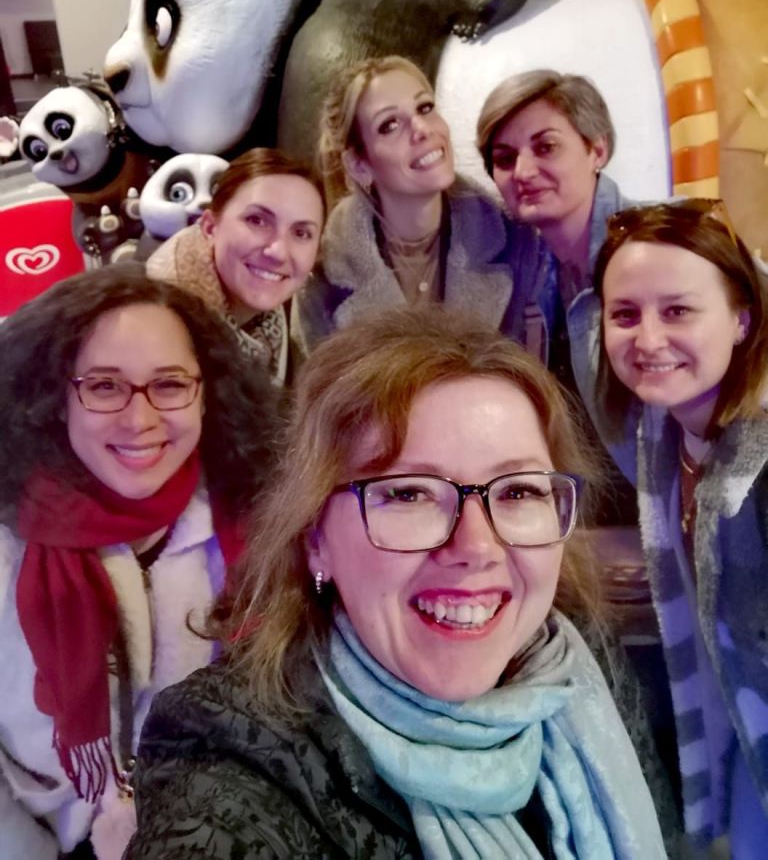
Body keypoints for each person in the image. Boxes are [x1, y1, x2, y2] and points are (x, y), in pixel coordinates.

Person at [125, 306, 675, 860]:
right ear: (315, 537)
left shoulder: (580, 661)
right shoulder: (226, 747)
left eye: (518, 491)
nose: (477, 548)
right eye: (409, 493)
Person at [0, 264, 278, 860]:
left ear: (207, 392)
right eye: (104, 386)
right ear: (57, 398)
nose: (139, 419)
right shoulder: (8, 540)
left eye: (170, 385)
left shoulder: (258, 525)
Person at [594, 200, 768, 857]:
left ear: (742, 319)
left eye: (677, 311)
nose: (647, 339)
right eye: (624, 314)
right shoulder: (663, 434)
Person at [476, 69, 640, 529]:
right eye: (505, 158)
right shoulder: (524, 271)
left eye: (546, 147)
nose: (523, 172)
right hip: (583, 521)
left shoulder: (662, 240)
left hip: (677, 520)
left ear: (597, 149)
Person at [295, 55, 539, 350]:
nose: (422, 128)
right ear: (360, 165)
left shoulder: (516, 241)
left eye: (425, 108)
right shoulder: (320, 278)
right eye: (390, 125)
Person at [147, 146, 325, 384]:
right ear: (210, 226)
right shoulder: (158, 335)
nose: (279, 252)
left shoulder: (267, 320)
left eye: (301, 233)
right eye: (257, 220)